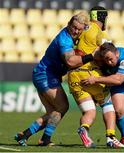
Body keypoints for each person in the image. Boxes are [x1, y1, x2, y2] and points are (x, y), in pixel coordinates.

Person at [14, 12, 93, 146]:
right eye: (73, 27)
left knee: (53, 113)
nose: (75, 31)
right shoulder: (65, 39)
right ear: (69, 24)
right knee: (62, 106)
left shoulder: (76, 36)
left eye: (79, 29)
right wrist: (92, 56)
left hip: (45, 74)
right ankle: (42, 139)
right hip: (45, 75)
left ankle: (26, 135)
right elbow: (70, 62)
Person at [68, 6, 124, 148]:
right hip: (90, 74)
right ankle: (111, 137)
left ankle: (84, 128)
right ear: (102, 18)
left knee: (90, 111)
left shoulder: (79, 29)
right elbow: (108, 52)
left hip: (74, 76)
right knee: (108, 105)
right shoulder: (99, 33)